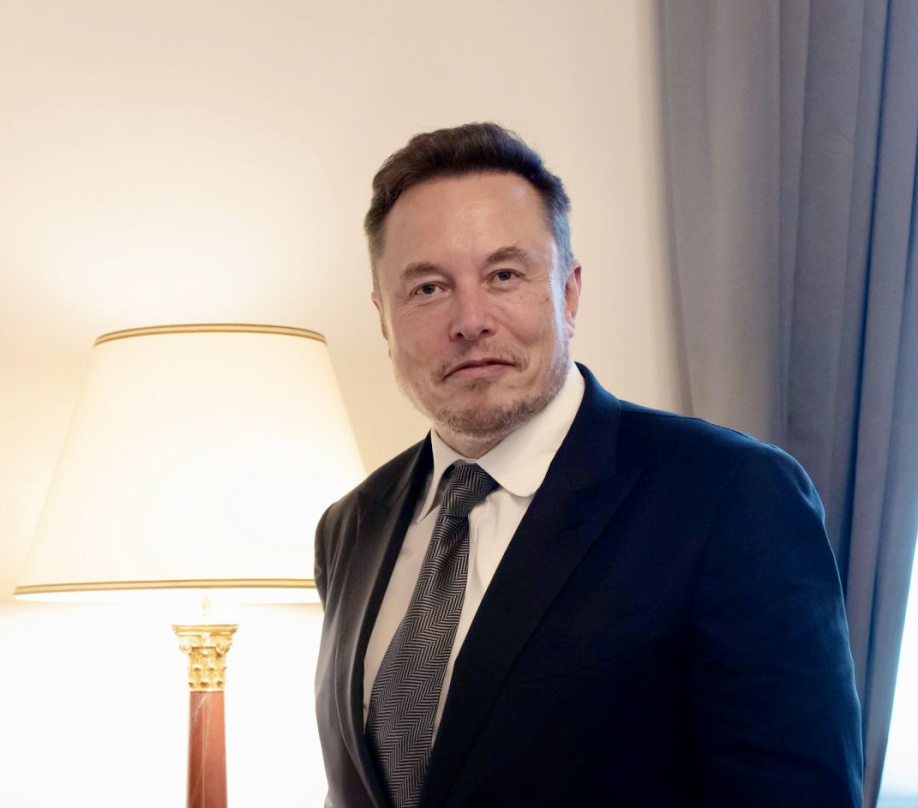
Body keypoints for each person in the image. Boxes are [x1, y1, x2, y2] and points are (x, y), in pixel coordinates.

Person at [313, 123, 863, 808]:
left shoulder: (731, 497)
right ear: (384, 319)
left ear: (568, 294)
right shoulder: (348, 528)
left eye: (504, 275)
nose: (470, 320)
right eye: (427, 288)